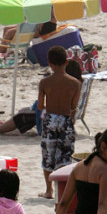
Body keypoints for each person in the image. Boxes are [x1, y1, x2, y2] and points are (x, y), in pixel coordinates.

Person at [38, 46, 81, 199]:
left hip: (50, 120)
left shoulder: (44, 82)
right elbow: (73, 106)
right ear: (66, 62)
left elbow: (39, 106)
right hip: (65, 120)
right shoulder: (75, 83)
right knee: (65, 155)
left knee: (48, 155)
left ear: (50, 63)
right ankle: (63, 191)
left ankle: (49, 191)